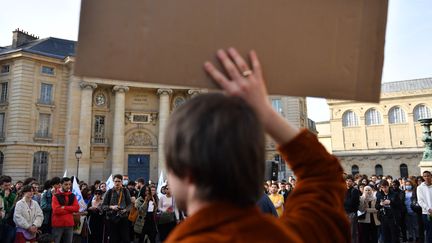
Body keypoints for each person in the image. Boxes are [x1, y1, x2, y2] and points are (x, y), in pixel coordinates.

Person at [162, 48, 349, 242]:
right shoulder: (297, 235)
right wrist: (265, 111)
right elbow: (325, 177)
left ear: (189, 174)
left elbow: (324, 177)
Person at [102, 174, 132, 243]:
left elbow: (130, 205)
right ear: (113, 181)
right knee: (113, 239)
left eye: (119, 181)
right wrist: (112, 207)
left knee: (125, 239)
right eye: (116, 181)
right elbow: (103, 206)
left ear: (121, 182)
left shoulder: (125, 191)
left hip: (123, 218)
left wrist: (125, 210)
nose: (117, 183)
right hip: (112, 219)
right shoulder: (109, 192)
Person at [51, 177, 79, 243]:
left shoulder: (72, 195)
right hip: (58, 224)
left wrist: (64, 207)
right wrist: (70, 209)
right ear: (61, 185)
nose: (68, 186)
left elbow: (76, 208)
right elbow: (56, 210)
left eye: (69, 184)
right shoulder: (56, 196)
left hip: (69, 224)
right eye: (66, 184)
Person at [0, 175, 17, 243]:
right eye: (5, 185)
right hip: (1, 222)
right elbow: (4, 208)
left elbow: (11, 210)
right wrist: (5, 198)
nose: (8, 187)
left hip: (10, 223)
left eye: (9, 185)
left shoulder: (13, 195)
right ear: (1, 185)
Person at [344, 174, 360, 243]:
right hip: (344, 213)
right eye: (347, 180)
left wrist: (344, 202)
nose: (348, 182)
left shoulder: (355, 191)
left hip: (351, 214)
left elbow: (351, 203)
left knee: (352, 233)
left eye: (350, 181)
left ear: (353, 182)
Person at [417, 171, 432, 243]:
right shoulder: (420, 188)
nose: (426, 177)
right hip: (427, 213)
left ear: (431, 176)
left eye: (428, 176)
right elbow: (420, 201)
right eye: (425, 176)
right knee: (429, 232)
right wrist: (428, 209)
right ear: (423, 177)